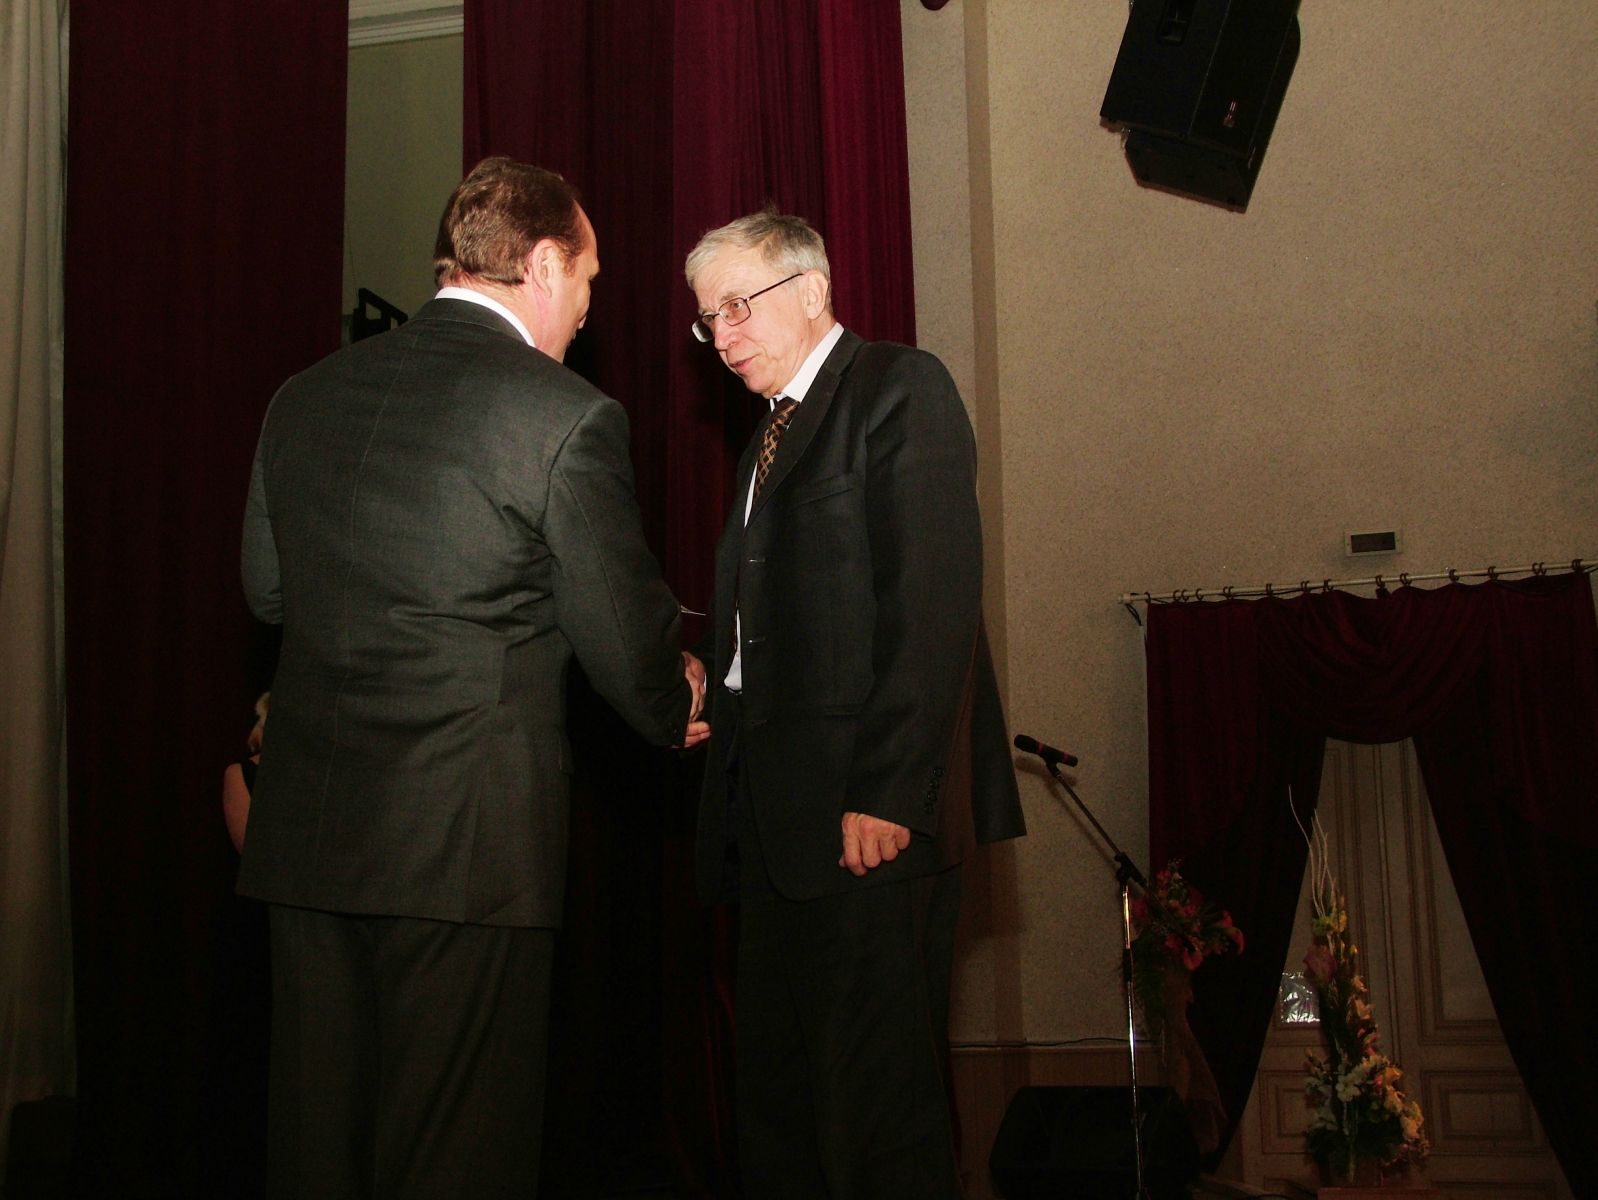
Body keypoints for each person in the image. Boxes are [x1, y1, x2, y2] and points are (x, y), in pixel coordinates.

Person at [239, 156, 708, 1200]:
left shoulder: (302, 398)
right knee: (455, 1153)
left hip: (308, 844)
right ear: (541, 265)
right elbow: (620, 629)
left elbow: (268, 596)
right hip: (465, 852)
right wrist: (671, 696)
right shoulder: (561, 416)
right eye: (587, 279)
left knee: (318, 1150)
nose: (587, 309)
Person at [683, 210, 1026, 1198]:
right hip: (771, 823)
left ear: (812, 290)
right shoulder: (765, 440)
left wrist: (887, 789)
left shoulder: (898, 388)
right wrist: (711, 677)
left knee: (876, 1118)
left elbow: (932, 605)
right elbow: (787, 619)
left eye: (737, 306)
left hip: (864, 818)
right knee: (782, 1113)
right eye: (708, 320)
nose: (723, 336)